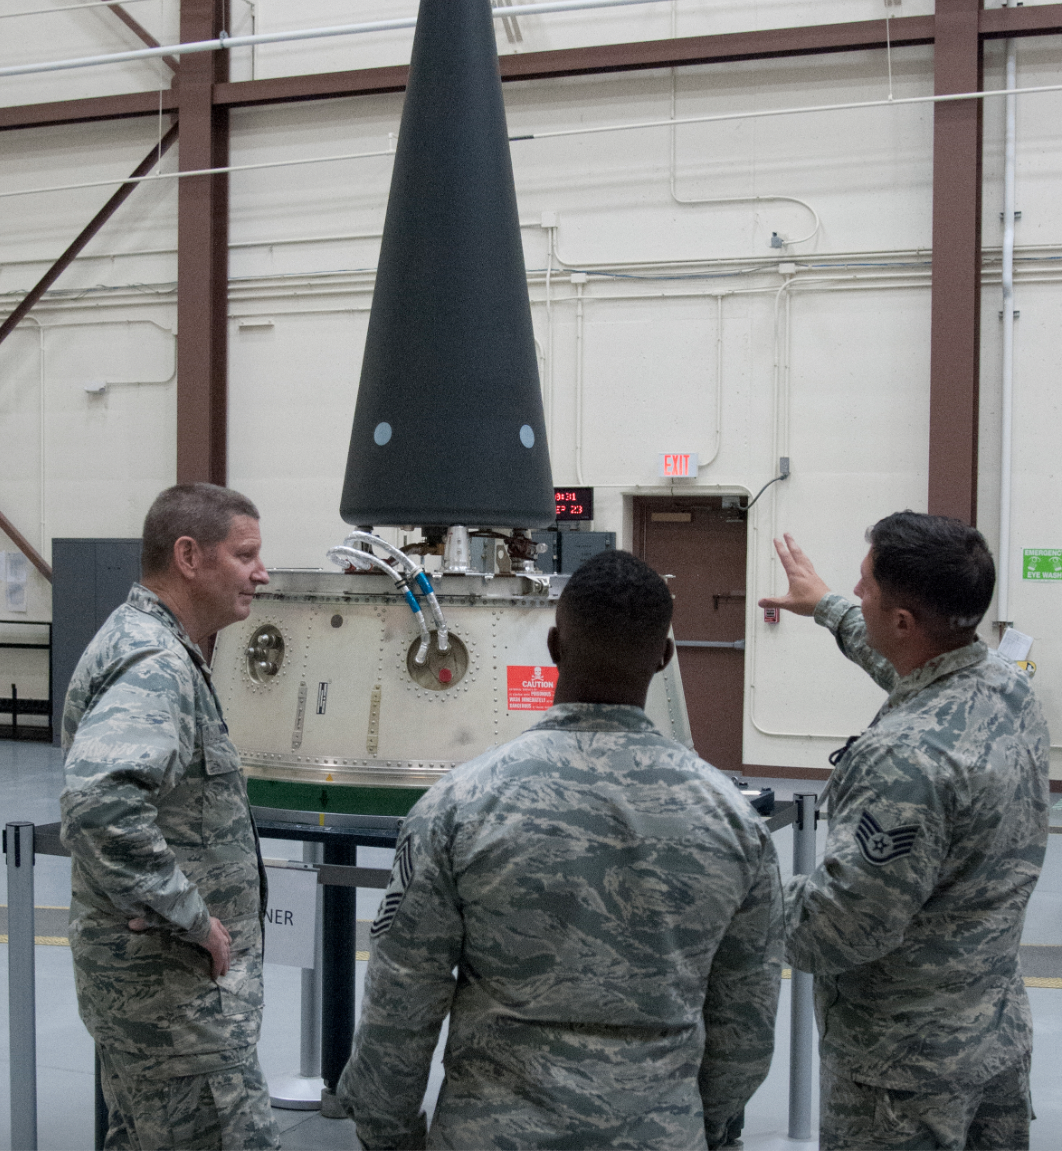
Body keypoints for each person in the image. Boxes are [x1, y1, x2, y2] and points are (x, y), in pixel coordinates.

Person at [338, 548, 783, 1150]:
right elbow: (746, 1023)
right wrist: (703, 1127)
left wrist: (387, 1133)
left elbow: (401, 1000)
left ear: (554, 647)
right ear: (664, 657)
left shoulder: (459, 807)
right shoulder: (734, 823)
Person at [760, 513, 1049, 1151]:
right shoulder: (1006, 691)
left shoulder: (903, 759)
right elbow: (916, 677)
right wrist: (827, 607)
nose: (856, 593)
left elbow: (839, 929)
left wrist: (730, 888)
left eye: (863, 588)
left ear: (902, 622)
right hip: (992, 1042)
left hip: (903, 1080)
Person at [60, 483, 280, 1151]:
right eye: (245, 555)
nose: (261, 573)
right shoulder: (157, 664)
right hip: (177, 1006)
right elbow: (101, 799)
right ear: (189, 555)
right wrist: (187, 915)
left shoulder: (156, 645)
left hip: (165, 1002)